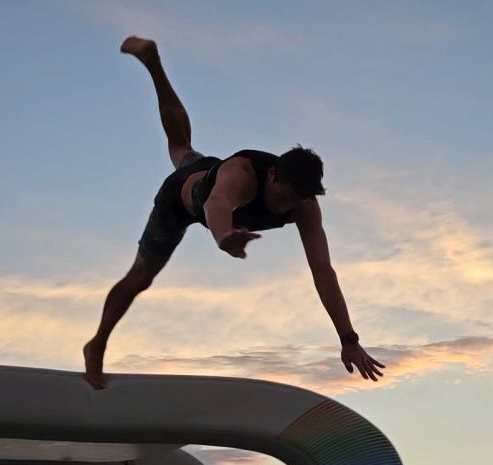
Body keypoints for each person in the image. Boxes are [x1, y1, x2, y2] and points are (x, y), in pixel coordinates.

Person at [82, 36, 386, 389]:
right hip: (182, 200)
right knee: (140, 277)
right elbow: (217, 203)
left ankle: (152, 63)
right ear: (271, 176)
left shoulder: (304, 206)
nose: (285, 207)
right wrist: (223, 235)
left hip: (205, 169)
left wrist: (348, 338)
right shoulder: (241, 174)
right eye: (283, 197)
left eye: (294, 202)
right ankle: (97, 344)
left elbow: (323, 271)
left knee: (182, 146)